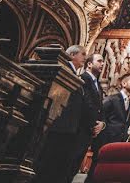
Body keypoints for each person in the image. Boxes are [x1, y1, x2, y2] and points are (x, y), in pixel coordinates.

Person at [33, 45, 95, 183]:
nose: (85, 57)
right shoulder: (65, 71)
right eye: (83, 54)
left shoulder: (73, 74)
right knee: (50, 167)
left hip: (67, 128)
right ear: (72, 55)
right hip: (60, 128)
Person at [89, 72, 130, 176]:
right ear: (124, 84)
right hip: (105, 142)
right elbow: (100, 116)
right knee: (95, 172)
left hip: (119, 143)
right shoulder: (111, 99)